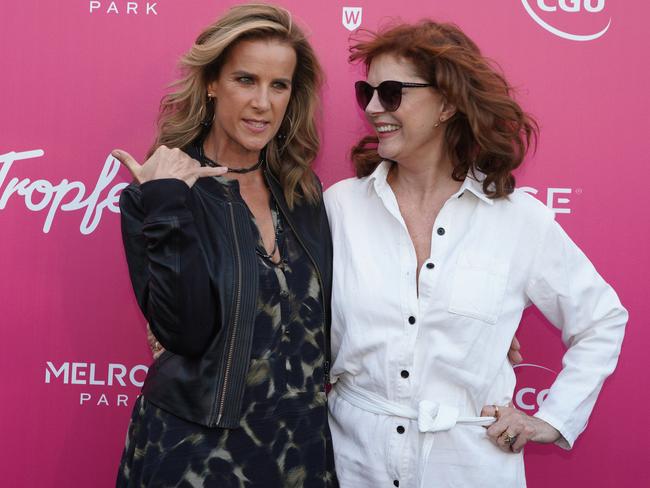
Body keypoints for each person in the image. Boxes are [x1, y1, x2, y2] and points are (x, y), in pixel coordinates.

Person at [324, 20, 627, 488]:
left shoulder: (518, 219)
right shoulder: (340, 207)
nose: (373, 107)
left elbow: (601, 319)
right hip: (353, 463)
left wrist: (553, 417)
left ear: (446, 103)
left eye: (390, 92)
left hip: (468, 467)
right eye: (367, 91)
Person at [113, 4, 337, 487]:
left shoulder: (302, 191)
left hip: (298, 447)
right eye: (245, 80)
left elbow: (334, 311)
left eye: (279, 85)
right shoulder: (159, 195)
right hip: (195, 451)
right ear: (212, 83)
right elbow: (185, 333)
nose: (263, 102)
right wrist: (169, 203)